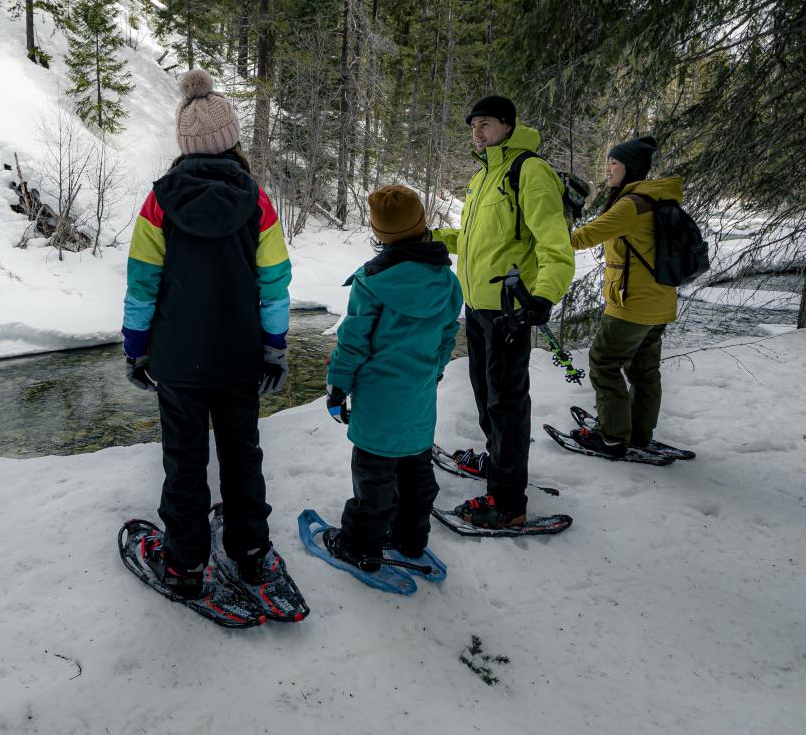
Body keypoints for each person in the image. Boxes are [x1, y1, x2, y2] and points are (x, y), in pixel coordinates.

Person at [120, 68, 292, 599]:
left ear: (184, 142)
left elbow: (142, 285)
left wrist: (135, 348)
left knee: (184, 462)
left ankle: (185, 565)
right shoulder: (257, 200)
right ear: (231, 138)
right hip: (240, 358)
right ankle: (252, 555)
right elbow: (274, 284)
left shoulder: (159, 201)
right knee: (243, 456)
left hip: (178, 361)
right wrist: (275, 347)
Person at [432, 96, 575, 529]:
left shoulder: (529, 171)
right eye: (473, 125)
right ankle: (498, 463)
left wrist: (544, 296)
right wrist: (433, 238)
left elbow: (555, 245)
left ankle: (509, 503)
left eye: (486, 124)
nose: (478, 132)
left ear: (508, 126)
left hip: (509, 312)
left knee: (506, 403)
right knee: (485, 395)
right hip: (477, 306)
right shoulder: (484, 175)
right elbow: (476, 240)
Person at [322, 185, 463, 571]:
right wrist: (433, 372)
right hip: (419, 397)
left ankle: (360, 545)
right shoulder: (447, 280)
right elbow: (447, 336)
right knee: (416, 470)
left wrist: (337, 386)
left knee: (374, 476)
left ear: (379, 232)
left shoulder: (371, 282)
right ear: (421, 224)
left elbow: (353, 344)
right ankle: (411, 538)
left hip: (377, 400)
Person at [568, 135, 682, 456]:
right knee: (644, 371)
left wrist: (554, 227)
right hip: (660, 301)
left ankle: (613, 436)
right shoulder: (658, 198)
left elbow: (582, 238)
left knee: (603, 363)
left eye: (614, 163)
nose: (607, 169)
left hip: (631, 303)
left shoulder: (630, 205)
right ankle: (639, 434)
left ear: (630, 167)